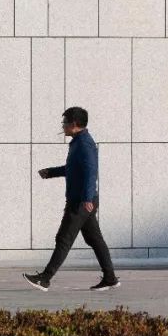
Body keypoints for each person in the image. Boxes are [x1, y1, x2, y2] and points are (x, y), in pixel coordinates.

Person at [23, 107, 120, 292]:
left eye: (65, 122)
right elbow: (72, 169)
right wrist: (51, 172)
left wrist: (87, 198)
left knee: (64, 238)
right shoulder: (78, 142)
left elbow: (91, 172)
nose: (63, 126)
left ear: (74, 124)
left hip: (81, 202)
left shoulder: (85, 144)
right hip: (84, 200)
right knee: (95, 239)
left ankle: (45, 279)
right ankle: (110, 278)